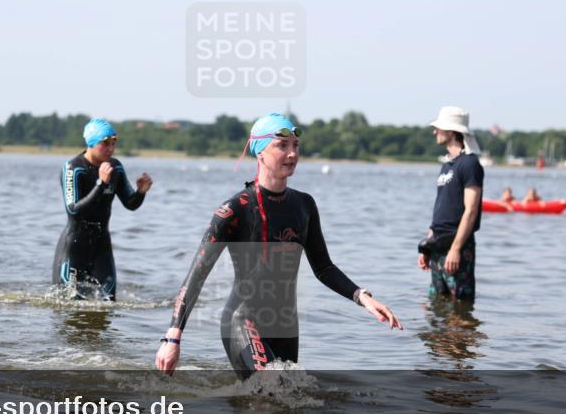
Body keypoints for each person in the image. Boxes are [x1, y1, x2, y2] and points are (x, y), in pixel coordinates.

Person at [154, 112, 401, 379]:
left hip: (286, 326)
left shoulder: (304, 205)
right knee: (269, 389)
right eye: (282, 145)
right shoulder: (235, 209)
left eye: (296, 145)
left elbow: (324, 268)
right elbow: (197, 274)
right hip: (243, 321)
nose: (292, 153)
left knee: (286, 399)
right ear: (260, 152)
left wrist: (362, 297)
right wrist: (173, 337)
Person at [53, 118, 152, 300]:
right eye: (105, 143)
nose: (111, 148)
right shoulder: (73, 169)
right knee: (69, 304)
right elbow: (74, 211)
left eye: (114, 143)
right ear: (91, 143)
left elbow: (130, 204)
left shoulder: (116, 168)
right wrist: (101, 184)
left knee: (108, 303)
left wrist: (141, 192)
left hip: (101, 247)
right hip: (74, 247)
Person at [417, 107, 484, 301]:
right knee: (437, 304)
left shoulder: (470, 164)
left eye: (439, 128)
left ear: (452, 131)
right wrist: (427, 246)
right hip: (437, 244)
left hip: (458, 245)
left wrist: (455, 249)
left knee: (460, 305)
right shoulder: (446, 165)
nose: (434, 132)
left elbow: (471, 210)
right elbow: (441, 209)